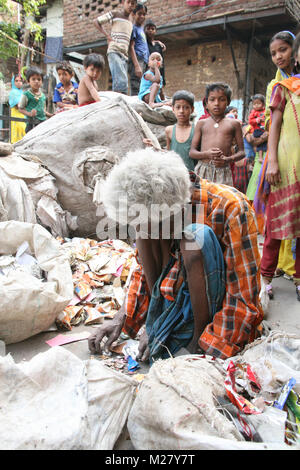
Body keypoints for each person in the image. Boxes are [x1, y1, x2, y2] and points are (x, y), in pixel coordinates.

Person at [88, 148, 263, 362]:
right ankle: (160, 323)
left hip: (211, 317)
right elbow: (143, 273)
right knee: (145, 235)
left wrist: (202, 352)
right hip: (175, 303)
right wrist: (122, 319)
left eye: (156, 226)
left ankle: (194, 339)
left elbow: (242, 298)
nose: (151, 232)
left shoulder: (231, 208)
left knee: (196, 236)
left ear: (172, 210)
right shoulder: (151, 214)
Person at [257, 32, 300, 302]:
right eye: (275, 53)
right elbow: (274, 126)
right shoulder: (283, 88)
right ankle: (265, 278)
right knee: (275, 226)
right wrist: (272, 160)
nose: (279, 57)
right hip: (285, 165)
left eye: (282, 50)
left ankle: (298, 278)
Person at [189, 82, 245, 186]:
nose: (216, 103)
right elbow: (192, 152)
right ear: (206, 103)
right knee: (201, 200)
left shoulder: (234, 124)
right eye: (212, 99)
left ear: (228, 102)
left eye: (222, 99)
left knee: (223, 201)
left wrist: (227, 160)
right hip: (202, 170)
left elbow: (242, 152)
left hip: (223, 171)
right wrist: (207, 154)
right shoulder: (201, 124)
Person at [94, 0, 137, 94]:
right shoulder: (115, 14)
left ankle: (118, 102)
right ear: (123, 3)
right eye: (128, 2)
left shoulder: (131, 20)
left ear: (135, 6)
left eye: (133, 3)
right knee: (121, 82)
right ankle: (118, 104)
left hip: (124, 54)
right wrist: (107, 36)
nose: (130, 5)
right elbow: (96, 21)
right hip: (114, 50)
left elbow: (130, 42)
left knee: (122, 82)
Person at [165, 90, 195, 171]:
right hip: (177, 174)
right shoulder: (169, 130)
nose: (181, 111)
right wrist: (153, 146)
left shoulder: (196, 129)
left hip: (194, 176)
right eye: (178, 107)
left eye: (186, 107)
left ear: (192, 109)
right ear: (173, 109)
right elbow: (168, 153)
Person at [18, 67, 50, 133]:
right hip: (31, 123)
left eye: (39, 79)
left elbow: (43, 110)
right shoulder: (26, 94)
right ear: (28, 81)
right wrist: (29, 114)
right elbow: (20, 109)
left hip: (42, 123)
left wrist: (50, 115)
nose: (36, 81)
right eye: (33, 79)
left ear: (42, 81)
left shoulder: (43, 95)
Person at [129, 3, 149, 96]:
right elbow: (131, 46)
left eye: (144, 14)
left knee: (143, 86)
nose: (142, 16)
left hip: (144, 61)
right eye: (139, 14)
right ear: (133, 14)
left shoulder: (142, 29)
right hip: (138, 59)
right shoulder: (134, 28)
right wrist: (137, 66)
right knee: (136, 85)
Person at [144, 19, 166, 87]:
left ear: (155, 31)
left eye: (152, 29)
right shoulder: (144, 44)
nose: (150, 30)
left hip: (159, 72)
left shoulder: (158, 45)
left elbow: (161, 62)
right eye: (148, 29)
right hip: (149, 74)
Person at [248, 94, 267, 164]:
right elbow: (250, 121)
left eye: (258, 103)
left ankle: (264, 156)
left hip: (265, 130)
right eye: (254, 104)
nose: (256, 105)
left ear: (263, 104)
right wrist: (257, 120)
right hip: (257, 130)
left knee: (265, 143)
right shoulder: (253, 112)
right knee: (260, 144)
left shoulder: (265, 111)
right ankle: (260, 157)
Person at [9, 75, 26, 143]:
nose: (19, 82)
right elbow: (18, 105)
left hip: (23, 114)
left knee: (23, 130)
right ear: (13, 82)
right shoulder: (13, 92)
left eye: (20, 81)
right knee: (18, 130)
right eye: (16, 81)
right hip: (16, 114)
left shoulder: (22, 92)